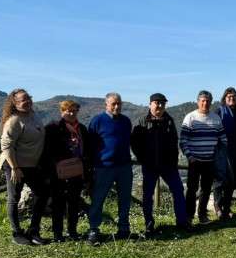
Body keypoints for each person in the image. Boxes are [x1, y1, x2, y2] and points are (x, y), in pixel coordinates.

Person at [131, 94, 189, 238]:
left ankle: (182, 222)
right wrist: (143, 158)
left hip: (168, 166)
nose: (160, 106)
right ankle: (149, 225)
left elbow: (174, 141)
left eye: (163, 103)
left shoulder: (169, 120)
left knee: (178, 191)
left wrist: (173, 161)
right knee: (147, 196)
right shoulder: (142, 121)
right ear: (150, 104)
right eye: (157, 103)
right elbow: (135, 143)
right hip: (149, 165)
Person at [0, 88, 50, 245]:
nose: (27, 101)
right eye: (23, 100)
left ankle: (33, 231)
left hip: (32, 165)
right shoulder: (14, 121)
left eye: (28, 98)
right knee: (14, 197)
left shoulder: (33, 116)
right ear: (14, 104)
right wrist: (15, 168)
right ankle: (17, 233)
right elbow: (6, 146)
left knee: (42, 194)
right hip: (15, 165)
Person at [87, 93, 135, 242]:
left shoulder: (126, 121)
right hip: (104, 167)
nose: (117, 106)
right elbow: (90, 145)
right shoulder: (97, 121)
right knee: (98, 199)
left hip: (124, 167)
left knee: (125, 199)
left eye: (119, 103)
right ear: (106, 104)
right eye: (113, 103)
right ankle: (94, 229)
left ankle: (124, 228)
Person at [44, 98, 93, 242]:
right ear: (62, 111)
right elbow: (47, 150)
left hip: (76, 171)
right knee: (58, 203)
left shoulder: (82, 129)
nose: (71, 113)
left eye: (74, 111)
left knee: (74, 203)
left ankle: (72, 231)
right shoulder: (53, 127)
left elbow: (87, 149)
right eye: (68, 111)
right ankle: (58, 233)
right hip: (58, 172)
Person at [179, 92, 226, 224]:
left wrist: (218, 155)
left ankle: (202, 216)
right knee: (192, 189)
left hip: (210, 160)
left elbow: (223, 139)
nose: (205, 103)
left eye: (208, 101)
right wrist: (189, 156)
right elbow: (183, 140)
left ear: (211, 102)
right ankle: (189, 216)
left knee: (206, 189)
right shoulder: (190, 117)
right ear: (198, 102)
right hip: (195, 160)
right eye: (203, 101)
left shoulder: (216, 118)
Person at [214, 87, 236, 220]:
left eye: (233, 96)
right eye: (229, 96)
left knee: (231, 180)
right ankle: (218, 207)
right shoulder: (219, 111)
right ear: (224, 98)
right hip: (220, 149)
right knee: (220, 179)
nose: (231, 98)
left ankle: (227, 208)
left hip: (234, 150)